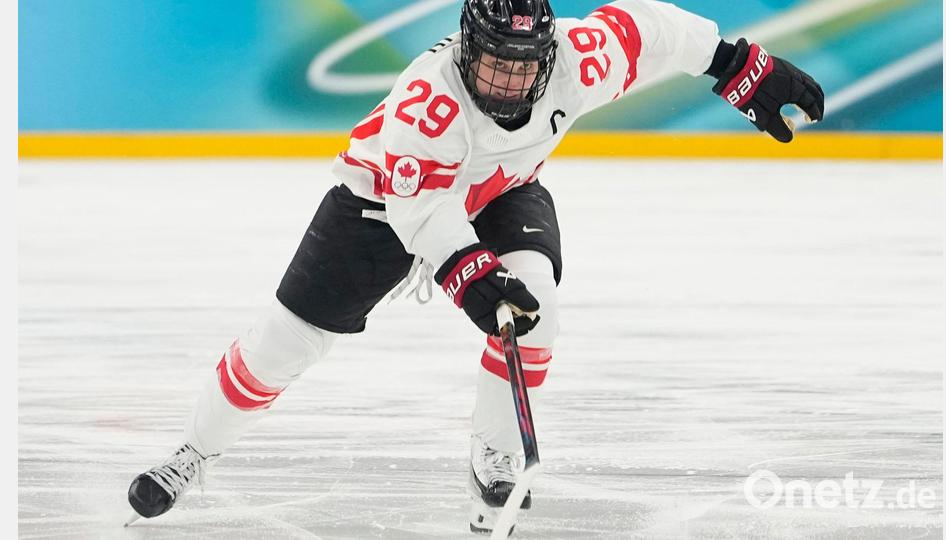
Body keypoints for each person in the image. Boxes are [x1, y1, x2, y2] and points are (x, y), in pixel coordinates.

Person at [126, 0, 824, 534]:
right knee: (282, 347)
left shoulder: (578, 60)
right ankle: (191, 452)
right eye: (496, 62)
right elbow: (420, 210)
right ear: (466, 48)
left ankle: (495, 458)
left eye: (525, 64)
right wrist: (469, 273)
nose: (511, 78)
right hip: (382, 204)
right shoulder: (427, 103)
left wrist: (738, 65)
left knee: (536, 307)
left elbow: (654, 31)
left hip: (501, 192)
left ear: (548, 55)